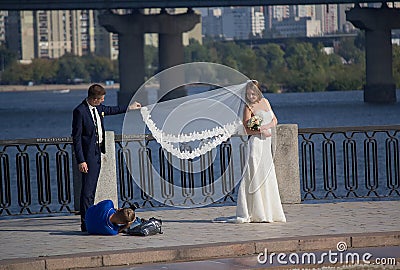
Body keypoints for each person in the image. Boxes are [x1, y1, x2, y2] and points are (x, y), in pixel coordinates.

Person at [72, 83, 141, 232]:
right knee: (87, 191)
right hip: (88, 156)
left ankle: (91, 219)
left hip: (97, 153)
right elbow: (76, 138)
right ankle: (85, 223)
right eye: (101, 99)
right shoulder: (80, 111)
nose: (103, 101)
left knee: (92, 190)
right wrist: (81, 160)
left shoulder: (98, 108)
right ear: (94, 99)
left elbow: (112, 109)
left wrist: (130, 108)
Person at [233, 80, 286, 223]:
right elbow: (247, 128)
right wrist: (261, 130)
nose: (251, 96)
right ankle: (255, 212)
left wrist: (267, 127)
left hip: (266, 145)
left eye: (253, 93)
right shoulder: (248, 107)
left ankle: (268, 211)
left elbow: (275, 119)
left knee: (267, 175)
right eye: (248, 94)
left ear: (258, 92)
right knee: (254, 175)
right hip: (256, 144)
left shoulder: (265, 102)